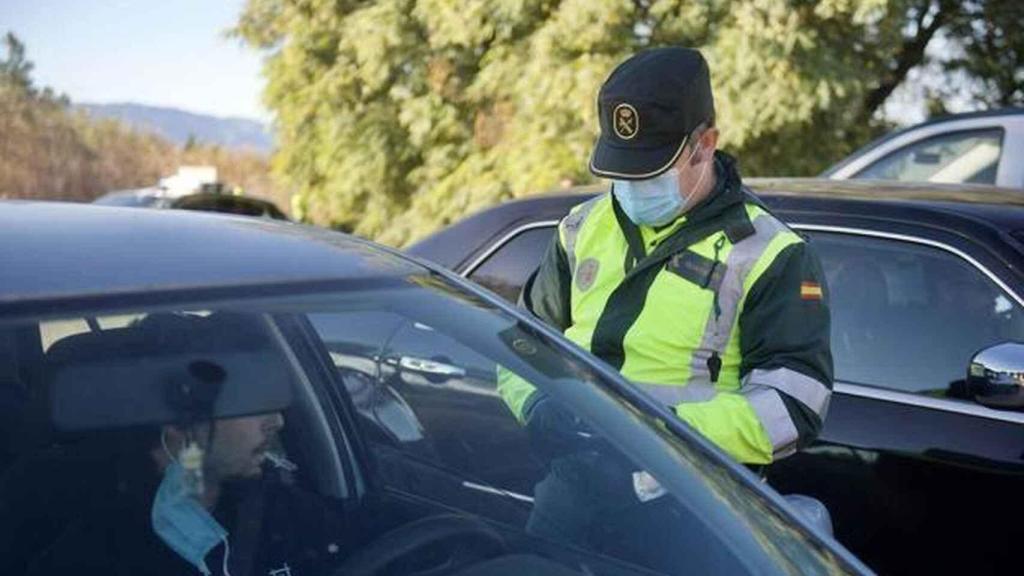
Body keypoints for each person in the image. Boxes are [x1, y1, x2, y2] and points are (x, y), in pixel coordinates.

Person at [501, 47, 832, 484]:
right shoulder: (581, 228)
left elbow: (795, 405)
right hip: (573, 487)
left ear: (706, 145)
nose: (634, 186)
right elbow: (520, 344)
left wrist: (660, 434)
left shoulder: (772, 253)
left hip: (693, 502)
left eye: (651, 171)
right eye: (624, 170)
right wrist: (539, 407)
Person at [5, 313, 359, 576]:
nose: (278, 421)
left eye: (277, 399)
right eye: (253, 403)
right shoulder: (78, 533)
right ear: (180, 419)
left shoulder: (286, 507)